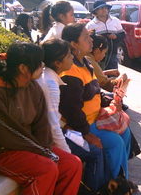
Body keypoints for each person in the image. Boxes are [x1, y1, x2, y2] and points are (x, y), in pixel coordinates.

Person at [0, 42, 82, 195]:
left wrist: (45, 148)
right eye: (39, 63)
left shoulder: (33, 87)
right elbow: (4, 136)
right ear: (23, 68)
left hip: (32, 147)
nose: (43, 66)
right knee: (45, 170)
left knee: (72, 164)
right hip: (2, 151)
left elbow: (42, 125)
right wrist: (40, 152)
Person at [59, 23, 132, 184]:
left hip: (96, 117)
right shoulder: (70, 71)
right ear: (73, 44)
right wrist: (87, 133)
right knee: (115, 143)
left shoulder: (85, 62)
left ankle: (120, 177)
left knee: (126, 132)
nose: (91, 40)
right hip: (82, 125)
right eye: (85, 37)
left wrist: (111, 100)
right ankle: (111, 185)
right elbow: (72, 110)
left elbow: (94, 91)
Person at [37, 39, 105, 193]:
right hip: (48, 138)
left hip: (60, 130)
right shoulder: (51, 84)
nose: (72, 58)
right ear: (58, 63)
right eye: (68, 56)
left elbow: (53, 118)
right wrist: (67, 153)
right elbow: (53, 126)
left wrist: (67, 128)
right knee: (94, 152)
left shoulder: (48, 76)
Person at [86, 0, 126, 70]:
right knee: (99, 76)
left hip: (112, 54)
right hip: (97, 56)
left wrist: (116, 36)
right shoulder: (90, 25)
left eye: (105, 8)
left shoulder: (115, 21)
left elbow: (122, 35)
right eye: (101, 8)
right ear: (96, 12)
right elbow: (88, 40)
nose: (104, 10)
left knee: (113, 75)